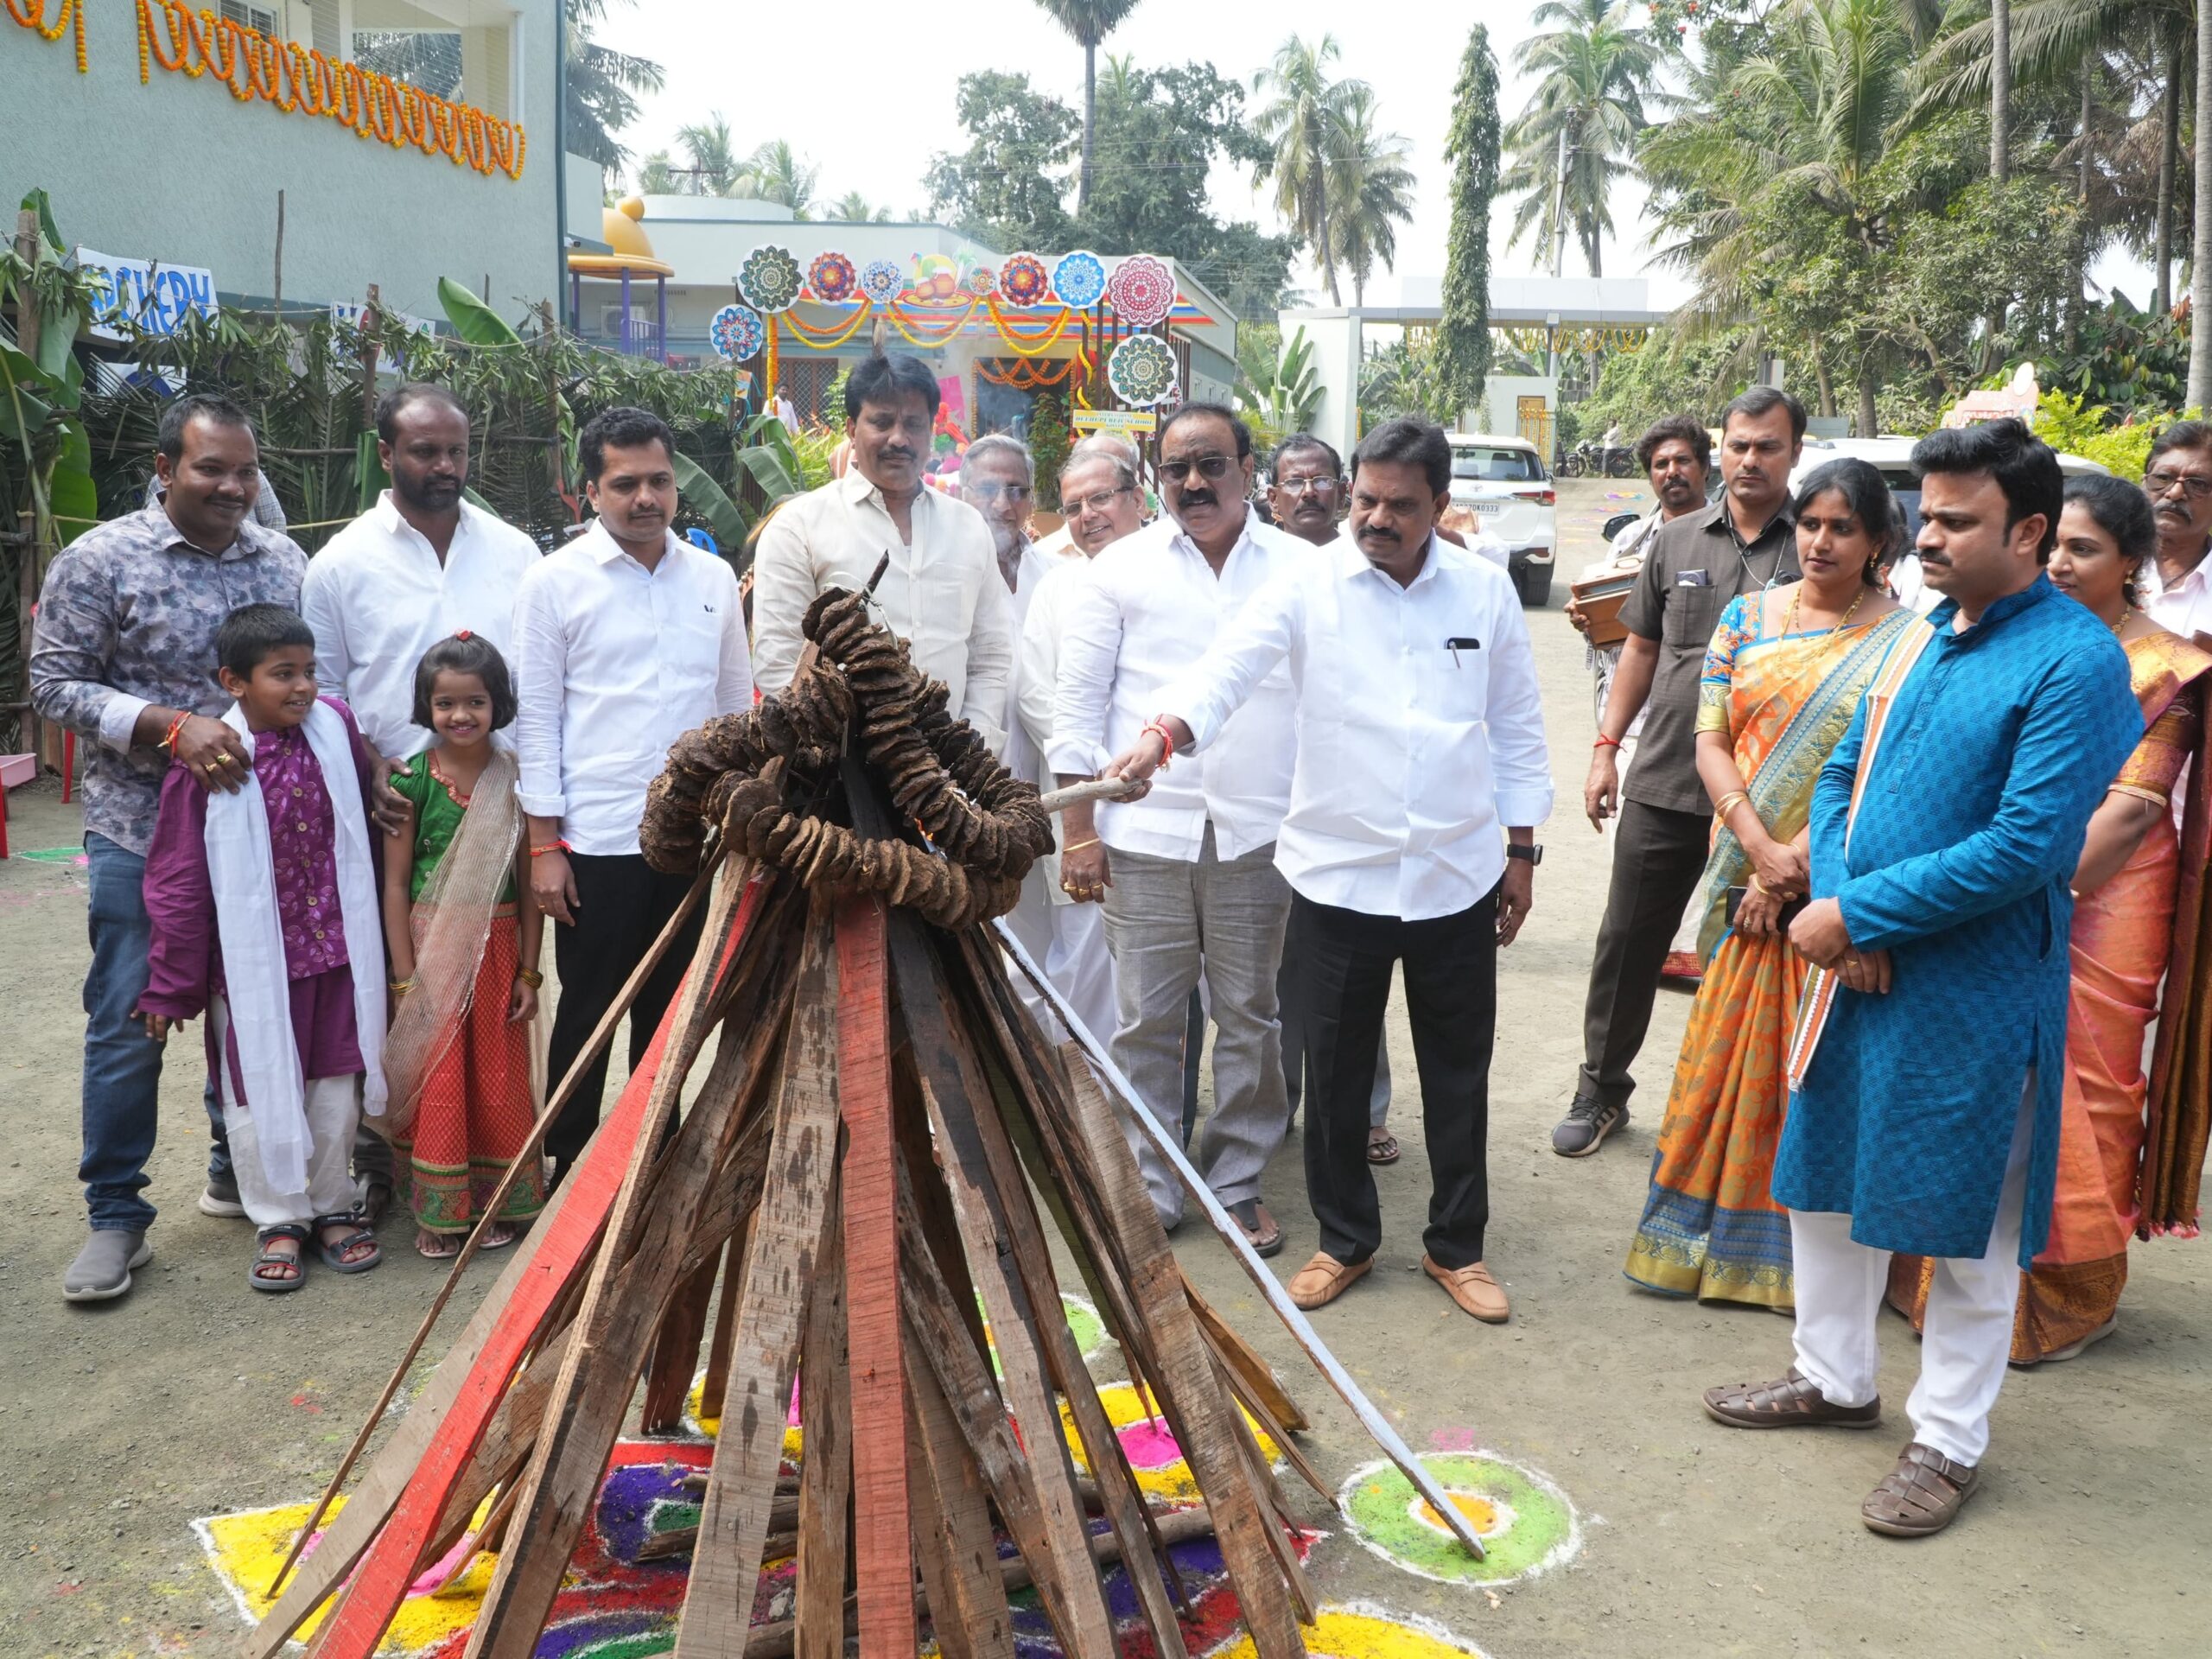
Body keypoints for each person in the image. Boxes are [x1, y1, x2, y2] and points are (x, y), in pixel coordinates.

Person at [1702, 419, 2140, 1539]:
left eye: (1956, 520)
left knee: (1974, 1228)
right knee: (1826, 1178)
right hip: (1861, 963)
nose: (1927, 537)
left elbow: (2031, 847)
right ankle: (1836, 1378)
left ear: (2030, 531)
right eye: (1928, 515)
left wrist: (1860, 911)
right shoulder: (1919, 631)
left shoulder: (2076, 660)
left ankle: (1948, 1440)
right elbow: (1846, 767)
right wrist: (1843, 911)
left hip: (1979, 992)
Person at [1103, 417, 1552, 1322]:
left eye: (1400, 505)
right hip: (1336, 874)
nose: (1376, 519)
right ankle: (1345, 1241)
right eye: (1365, 500)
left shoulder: (1482, 590)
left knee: (1457, 1072)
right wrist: (1162, 736)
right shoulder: (1306, 585)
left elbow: (1515, 725)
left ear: (1439, 505)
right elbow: (1226, 672)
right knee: (1336, 1074)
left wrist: (1519, 850)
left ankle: (1455, 1249)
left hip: (1452, 873)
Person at [1887, 475, 2212, 1363]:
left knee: (2091, 1092)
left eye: (2085, 550)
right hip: (2005, 889)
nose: (2061, 564)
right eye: (2054, 546)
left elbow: (2131, 811)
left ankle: (2068, 1292)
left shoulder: (2169, 666)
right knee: (1978, 1076)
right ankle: (1932, 1276)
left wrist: (2022, 887)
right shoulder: (2015, 640)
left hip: (2104, 905)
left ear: (2133, 561)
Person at [31, 395, 315, 1301]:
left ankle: (243, 1171)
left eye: (245, 471)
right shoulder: (101, 559)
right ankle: (116, 1218)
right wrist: (166, 726)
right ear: (164, 470)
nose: (233, 487)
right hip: (141, 834)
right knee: (130, 1021)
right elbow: (50, 684)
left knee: (255, 1007)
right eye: (210, 470)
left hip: (263, 834)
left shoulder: (283, 561)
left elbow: (314, 680)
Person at [1623, 460, 1916, 1308]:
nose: (1822, 541)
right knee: (1720, 1061)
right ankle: (1694, 1245)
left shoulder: (1907, 643)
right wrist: (1756, 847)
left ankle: (1800, 1269)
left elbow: (1881, 777)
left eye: (1843, 528)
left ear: (1876, 543)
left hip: (1828, 893)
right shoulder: (1746, 620)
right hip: (1741, 875)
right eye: (1812, 524)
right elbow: (1708, 739)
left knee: (1814, 1075)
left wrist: (1796, 873)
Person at [1050, 404, 1304, 1255]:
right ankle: (1152, 1185)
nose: (1193, 484)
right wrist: (1078, 832)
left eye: (1211, 465)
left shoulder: (1302, 569)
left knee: (1249, 1015)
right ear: (1157, 480)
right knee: (1146, 1020)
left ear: (1247, 469)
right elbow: (1076, 711)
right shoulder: (1116, 569)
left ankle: (1234, 1183)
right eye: (1176, 470)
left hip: (1260, 836)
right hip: (1145, 834)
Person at [301, 381, 541, 1220]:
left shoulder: (516, 552)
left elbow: (540, 681)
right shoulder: (339, 563)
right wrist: (369, 771)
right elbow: (321, 693)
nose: (444, 467)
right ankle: (392, 1162)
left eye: (457, 451)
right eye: (425, 451)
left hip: (500, 809)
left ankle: (489, 1162)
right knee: (391, 989)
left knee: (494, 996)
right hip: (389, 810)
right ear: (387, 453)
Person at [1554, 389, 1805, 1159]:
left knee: (1760, 952)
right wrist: (1605, 747)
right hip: (1666, 777)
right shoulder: (1676, 541)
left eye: (1767, 446)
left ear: (1794, 452)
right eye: (1738, 446)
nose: (1750, 460)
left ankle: (1752, 1116)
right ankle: (1601, 1089)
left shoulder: (1822, 543)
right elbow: (1640, 649)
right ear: (1720, 452)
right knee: (1628, 939)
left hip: (1775, 795)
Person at [511, 407, 753, 1179]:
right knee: (588, 1012)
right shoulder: (553, 583)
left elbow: (735, 708)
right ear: (589, 492)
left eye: (658, 481)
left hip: (691, 839)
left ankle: (655, 1161)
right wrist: (545, 846)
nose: (645, 498)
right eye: (625, 484)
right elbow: (537, 722)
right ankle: (570, 1165)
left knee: (671, 1014)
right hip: (598, 840)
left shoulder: (713, 579)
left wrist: (733, 819)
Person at [136, 604, 387, 1292]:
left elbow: (368, 802)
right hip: (250, 969)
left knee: (335, 1087)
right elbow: (179, 877)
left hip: (336, 952)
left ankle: (334, 1206)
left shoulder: (335, 729)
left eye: (308, 671)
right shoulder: (212, 759)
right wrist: (171, 981)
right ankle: (279, 1217)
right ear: (234, 681)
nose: (303, 687)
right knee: (253, 1094)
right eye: (283, 675)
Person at [379, 632, 549, 1259]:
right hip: (431, 950)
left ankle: (497, 1197)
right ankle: (439, 1209)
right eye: (446, 703)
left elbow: (531, 889)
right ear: (426, 707)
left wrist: (529, 973)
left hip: (502, 947)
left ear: (498, 704)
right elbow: (395, 886)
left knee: (497, 1074)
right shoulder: (412, 780)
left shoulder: (518, 779)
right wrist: (405, 980)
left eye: (475, 702)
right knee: (441, 1072)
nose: (460, 716)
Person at [752, 353, 1016, 752]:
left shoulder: (967, 527)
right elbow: (778, 664)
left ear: (931, 432)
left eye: (913, 424)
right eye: (881, 422)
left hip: (952, 773)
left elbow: (990, 654)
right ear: (851, 428)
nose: (899, 438)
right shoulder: (800, 526)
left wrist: (968, 747)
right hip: (842, 780)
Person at [1263, 433, 1398, 1163]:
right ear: (1273, 496)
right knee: (1284, 970)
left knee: (1359, 961)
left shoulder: (1379, 570)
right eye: (1294, 481)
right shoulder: (1264, 571)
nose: (1310, 491)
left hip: (1355, 802)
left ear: (1344, 489)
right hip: (1271, 801)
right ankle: (1280, 1102)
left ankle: (1369, 1112)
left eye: (1322, 479)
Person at [1009, 436, 1144, 1046]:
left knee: (1154, 983)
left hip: (1163, 809)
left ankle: (1144, 1119)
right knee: (1081, 967)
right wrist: (1100, 768)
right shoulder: (1057, 589)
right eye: (1072, 506)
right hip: (1083, 805)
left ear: (1137, 498)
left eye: (1101, 499)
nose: (1088, 515)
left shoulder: (1179, 576)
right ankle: (1081, 1112)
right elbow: (1039, 697)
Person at [2135, 420, 2212, 639]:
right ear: (2143, 485)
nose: (2175, 493)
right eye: (2163, 478)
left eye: (2197, 484)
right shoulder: (2105, 563)